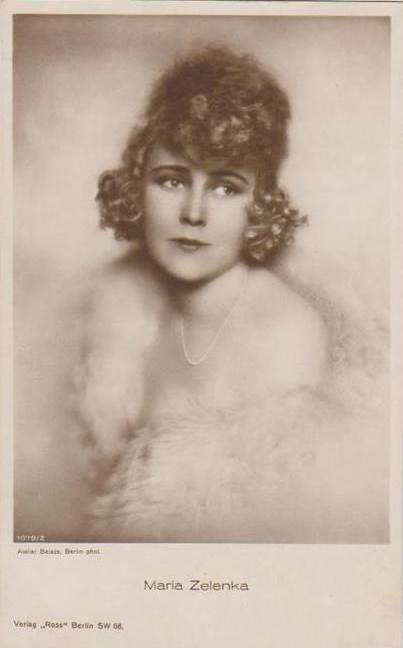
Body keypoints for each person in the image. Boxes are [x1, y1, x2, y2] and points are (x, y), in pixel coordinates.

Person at [76, 46, 388, 542]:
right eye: (172, 181)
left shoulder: (286, 338)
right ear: (137, 186)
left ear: (260, 203)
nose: (194, 212)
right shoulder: (118, 315)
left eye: (225, 188)